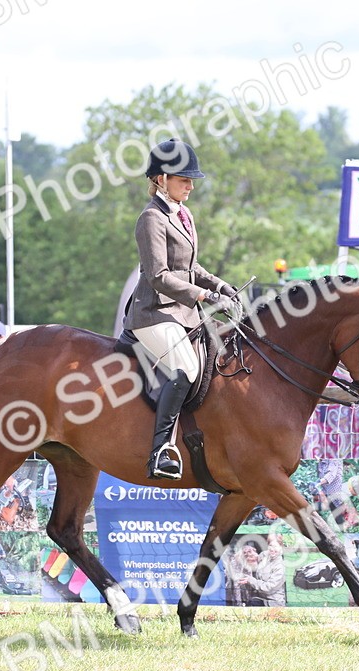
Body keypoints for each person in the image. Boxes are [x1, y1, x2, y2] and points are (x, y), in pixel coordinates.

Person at [122, 137, 237, 480]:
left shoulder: (183, 214)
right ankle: (160, 451)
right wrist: (204, 298)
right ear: (160, 179)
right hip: (154, 313)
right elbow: (158, 276)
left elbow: (192, 269)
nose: (190, 185)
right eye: (183, 179)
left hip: (182, 313)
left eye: (191, 180)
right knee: (186, 367)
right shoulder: (151, 219)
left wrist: (219, 285)